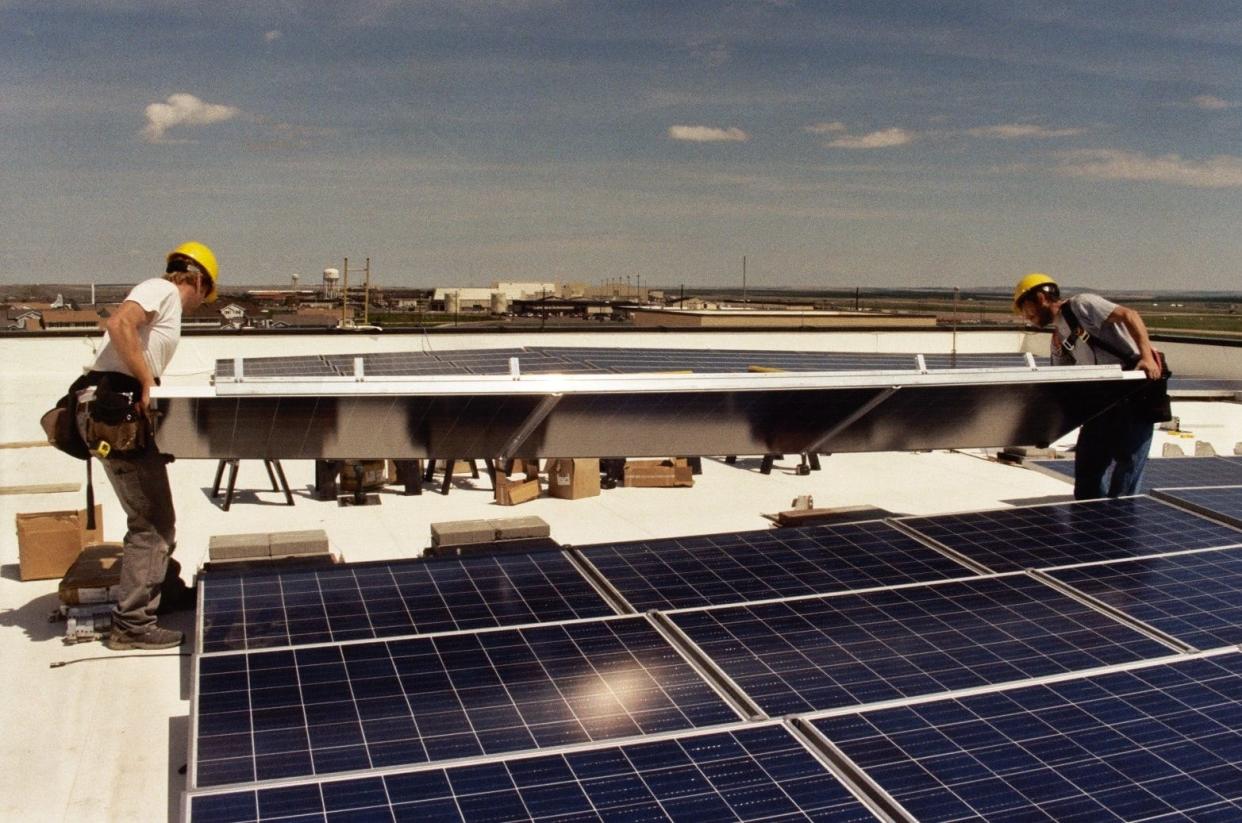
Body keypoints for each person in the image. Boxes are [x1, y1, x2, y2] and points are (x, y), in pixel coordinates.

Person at [85, 241, 218, 650]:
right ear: (196, 279)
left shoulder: (166, 302)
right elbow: (119, 324)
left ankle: (166, 590)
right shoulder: (160, 290)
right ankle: (131, 625)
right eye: (204, 294)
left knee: (158, 516)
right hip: (116, 413)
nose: (200, 303)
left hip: (120, 415)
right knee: (152, 524)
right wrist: (146, 379)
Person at [1012, 272, 1162, 501]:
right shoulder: (1058, 336)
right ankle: (1091, 519)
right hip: (1101, 398)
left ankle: (1119, 523)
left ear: (1041, 298)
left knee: (1128, 464)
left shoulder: (1082, 305)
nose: (1026, 316)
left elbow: (1129, 315)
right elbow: (1060, 380)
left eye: (1026, 308)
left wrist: (1147, 357)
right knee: (1089, 465)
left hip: (1135, 390)